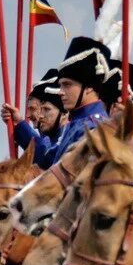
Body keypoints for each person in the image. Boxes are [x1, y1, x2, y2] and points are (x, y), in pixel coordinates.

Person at [32, 36, 111, 169]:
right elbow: (46, 163)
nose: (61, 92)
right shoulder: (77, 123)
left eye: (67, 85)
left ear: (89, 86)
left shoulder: (94, 128)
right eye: (60, 85)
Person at [4, 69, 68, 167]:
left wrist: (20, 125)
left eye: (46, 109)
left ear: (63, 112)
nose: (28, 115)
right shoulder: (50, 137)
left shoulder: (70, 135)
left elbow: (46, 157)